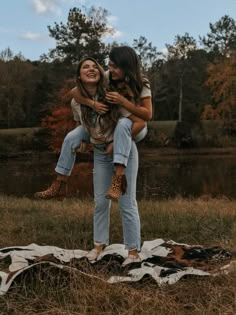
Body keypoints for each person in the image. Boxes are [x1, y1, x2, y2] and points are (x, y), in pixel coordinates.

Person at [71, 47, 152, 265]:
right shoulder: (107, 77)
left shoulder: (141, 83)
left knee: (127, 202)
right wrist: (92, 104)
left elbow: (146, 117)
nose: (109, 69)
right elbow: (75, 93)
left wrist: (124, 103)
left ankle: (133, 252)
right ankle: (99, 245)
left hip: (127, 143)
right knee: (99, 202)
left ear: (126, 66)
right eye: (109, 65)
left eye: (114, 66)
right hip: (101, 151)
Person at [34, 50, 147, 201]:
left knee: (123, 124)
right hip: (100, 146)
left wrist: (115, 142)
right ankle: (59, 184)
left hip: (123, 138)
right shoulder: (76, 101)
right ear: (79, 76)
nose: (91, 69)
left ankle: (118, 177)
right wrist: (81, 139)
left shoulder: (110, 97)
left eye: (94, 66)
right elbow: (79, 121)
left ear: (101, 74)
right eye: (85, 67)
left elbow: (141, 120)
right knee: (71, 137)